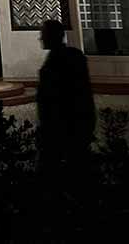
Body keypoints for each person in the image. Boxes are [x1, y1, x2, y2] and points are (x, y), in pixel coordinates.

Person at [36, 19, 96, 179]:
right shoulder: (70, 57)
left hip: (64, 124)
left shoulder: (65, 59)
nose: (40, 38)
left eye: (43, 34)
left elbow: (77, 93)